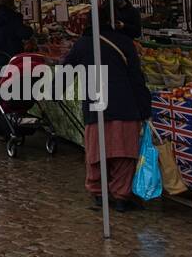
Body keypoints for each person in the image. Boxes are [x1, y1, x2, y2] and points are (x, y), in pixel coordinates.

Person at [62, 15, 152, 212]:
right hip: (124, 103)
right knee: (124, 152)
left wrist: (52, 90)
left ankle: (98, 193)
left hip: (96, 103)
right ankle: (121, 196)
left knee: (97, 152)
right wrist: (145, 107)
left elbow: (66, 73)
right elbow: (137, 78)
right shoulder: (125, 42)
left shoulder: (82, 45)